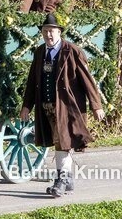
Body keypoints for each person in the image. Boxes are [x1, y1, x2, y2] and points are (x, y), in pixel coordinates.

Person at [20, 13, 106, 197]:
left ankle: (61, 181)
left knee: (63, 143)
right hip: (47, 106)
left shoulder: (72, 51)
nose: (48, 35)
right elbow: (32, 81)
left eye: (52, 31)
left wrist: (96, 105)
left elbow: (87, 80)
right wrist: (27, 106)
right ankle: (68, 181)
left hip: (68, 108)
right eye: (45, 32)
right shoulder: (40, 52)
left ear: (59, 32)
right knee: (59, 143)